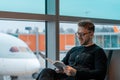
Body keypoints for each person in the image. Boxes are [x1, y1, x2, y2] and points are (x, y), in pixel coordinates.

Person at [36, 20, 107, 80]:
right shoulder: (74, 50)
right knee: (46, 71)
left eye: (82, 34)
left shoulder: (98, 51)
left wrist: (76, 73)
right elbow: (63, 64)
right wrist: (59, 69)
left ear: (91, 34)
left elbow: (100, 74)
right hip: (64, 77)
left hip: (79, 78)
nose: (79, 37)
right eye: (78, 34)